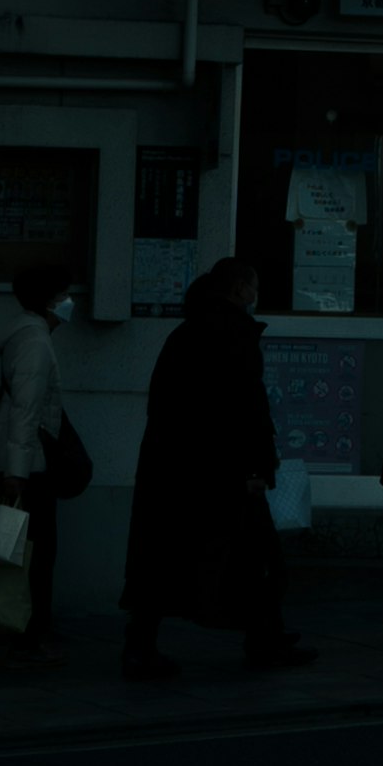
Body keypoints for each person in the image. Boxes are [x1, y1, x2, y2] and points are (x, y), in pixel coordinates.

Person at [122, 254, 309, 680]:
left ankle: (142, 643)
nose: (255, 297)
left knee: (165, 558)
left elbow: (166, 406)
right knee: (258, 555)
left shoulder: (185, 333)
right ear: (242, 290)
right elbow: (245, 410)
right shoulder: (234, 335)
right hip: (225, 472)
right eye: (254, 288)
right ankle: (265, 639)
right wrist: (256, 467)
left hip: (175, 470)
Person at [0, 260, 80, 648]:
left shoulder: (20, 336)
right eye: (64, 296)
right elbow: (26, 412)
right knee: (34, 551)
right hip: (27, 467)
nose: (69, 302)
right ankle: (24, 626)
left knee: (12, 548)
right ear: (49, 301)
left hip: (10, 460)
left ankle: (9, 622)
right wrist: (18, 471)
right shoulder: (35, 342)